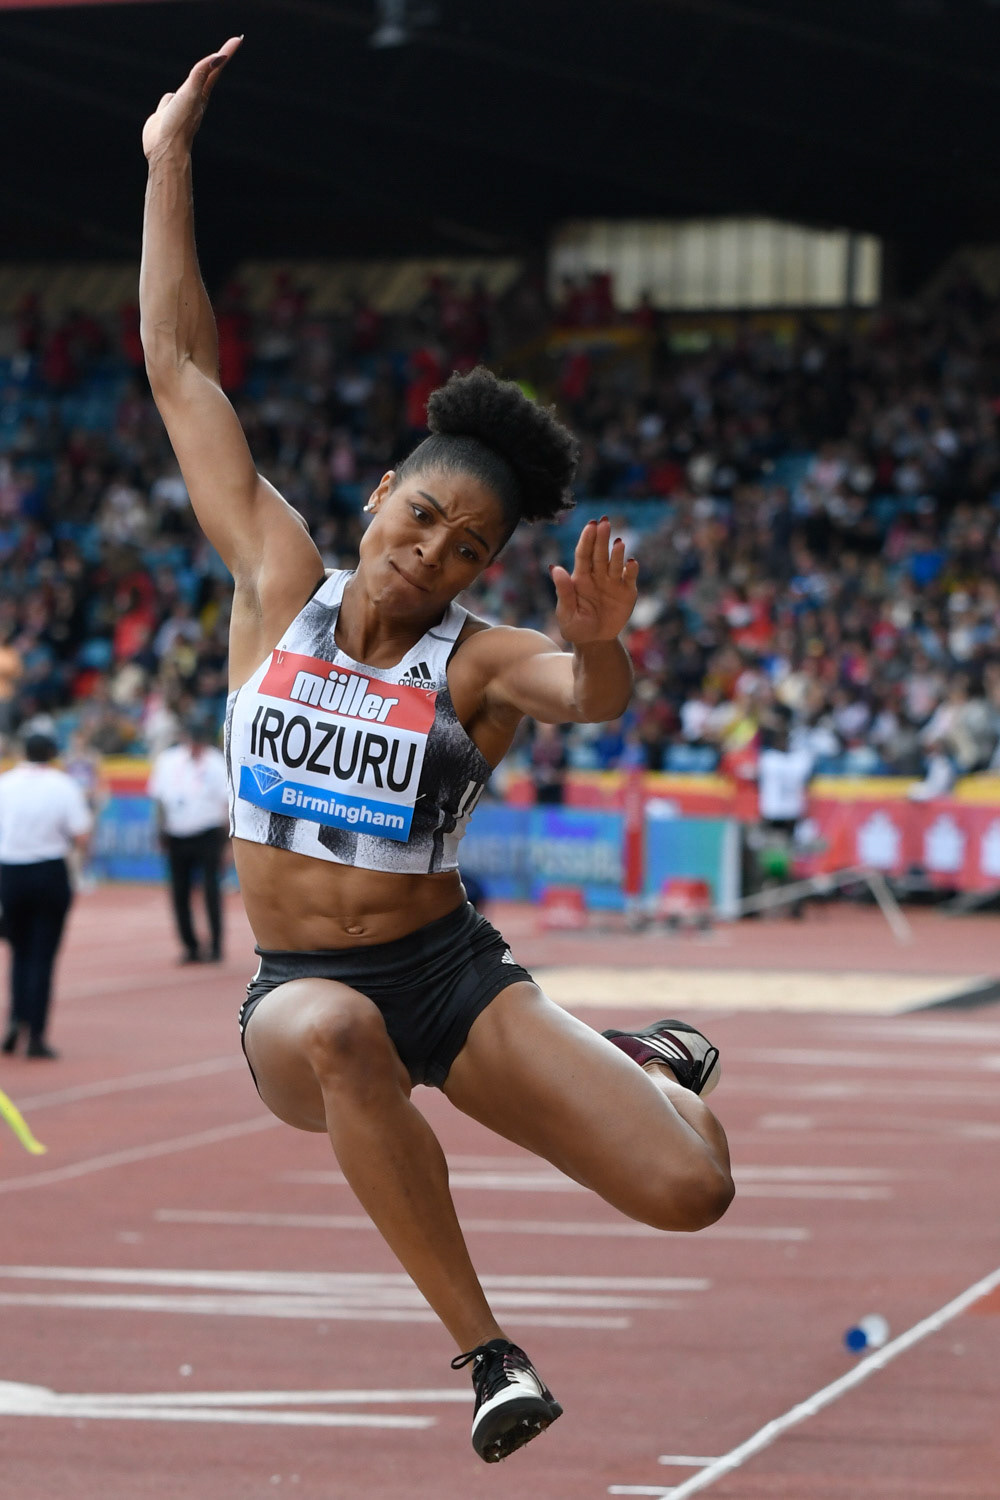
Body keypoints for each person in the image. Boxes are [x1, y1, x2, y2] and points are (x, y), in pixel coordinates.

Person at [140, 39, 734, 1463]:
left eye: (469, 551)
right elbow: (175, 363)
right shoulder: (275, 577)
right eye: (422, 524)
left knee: (690, 1188)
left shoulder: (478, 661)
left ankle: (637, 1061)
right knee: (341, 1035)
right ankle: (489, 1357)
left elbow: (587, 696)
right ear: (381, 497)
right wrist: (168, 159)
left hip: (449, 973)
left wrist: (595, 644)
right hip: (303, 995)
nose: (431, 559)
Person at [0, 732, 92, 1058]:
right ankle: (35, 1034)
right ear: (52, 754)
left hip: (10, 873)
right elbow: (81, 835)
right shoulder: (63, 785)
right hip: (49, 871)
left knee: (19, 951)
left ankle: (15, 1018)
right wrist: (81, 868)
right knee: (42, 955)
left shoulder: (5, 783)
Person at [147, 718, 230, 963]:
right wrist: (160, 831)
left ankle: (215, 945)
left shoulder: (215, 762)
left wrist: (226, 844)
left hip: (207, 832)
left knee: (211, 890)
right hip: (176, 833)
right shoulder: (168, 761)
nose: (195, 747)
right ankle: (190, 945)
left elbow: (226, 804)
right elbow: (160, 800)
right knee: (179, 892)